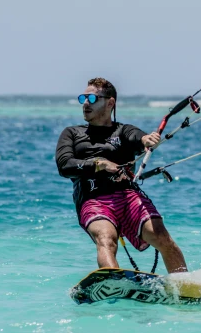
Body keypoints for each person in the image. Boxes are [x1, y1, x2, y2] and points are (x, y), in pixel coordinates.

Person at [55, 77, 188, 273]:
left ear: (110, 103)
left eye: (91, 99)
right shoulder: (72, 134)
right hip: (93, 200)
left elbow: (137, 137)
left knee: (160, 235)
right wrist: (99, 165)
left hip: (127, 196)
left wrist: (147, 139)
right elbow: (64, 166)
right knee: (106, 238)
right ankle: (113, 282)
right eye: (82, 98)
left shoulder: (123, 131)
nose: (85, 103)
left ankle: (184, 286)